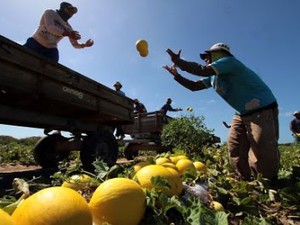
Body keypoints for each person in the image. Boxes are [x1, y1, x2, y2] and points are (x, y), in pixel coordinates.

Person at [164, 43, 279, 180]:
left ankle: (267, 181)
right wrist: (177, 76)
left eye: (207, 56)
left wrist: (178, 61)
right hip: (241, 112)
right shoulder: (213, 76)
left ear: (219, 54)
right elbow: (194, 86)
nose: (205, 59)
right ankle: (243, 176)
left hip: (262, 107)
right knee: (234, 144)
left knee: (262, 146)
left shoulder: (229, 62)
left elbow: (202, 70)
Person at [23, 2, 94, 63]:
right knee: (22, 57)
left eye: (72, 12)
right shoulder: (50, 12)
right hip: (35, 42)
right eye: (69, 10)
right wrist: (67, 34)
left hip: (50, 49)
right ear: (63, 8)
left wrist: (84, 45)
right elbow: (50, 27)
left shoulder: (68, 28)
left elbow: (75, 44)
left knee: (52, 67)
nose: (71, 13)